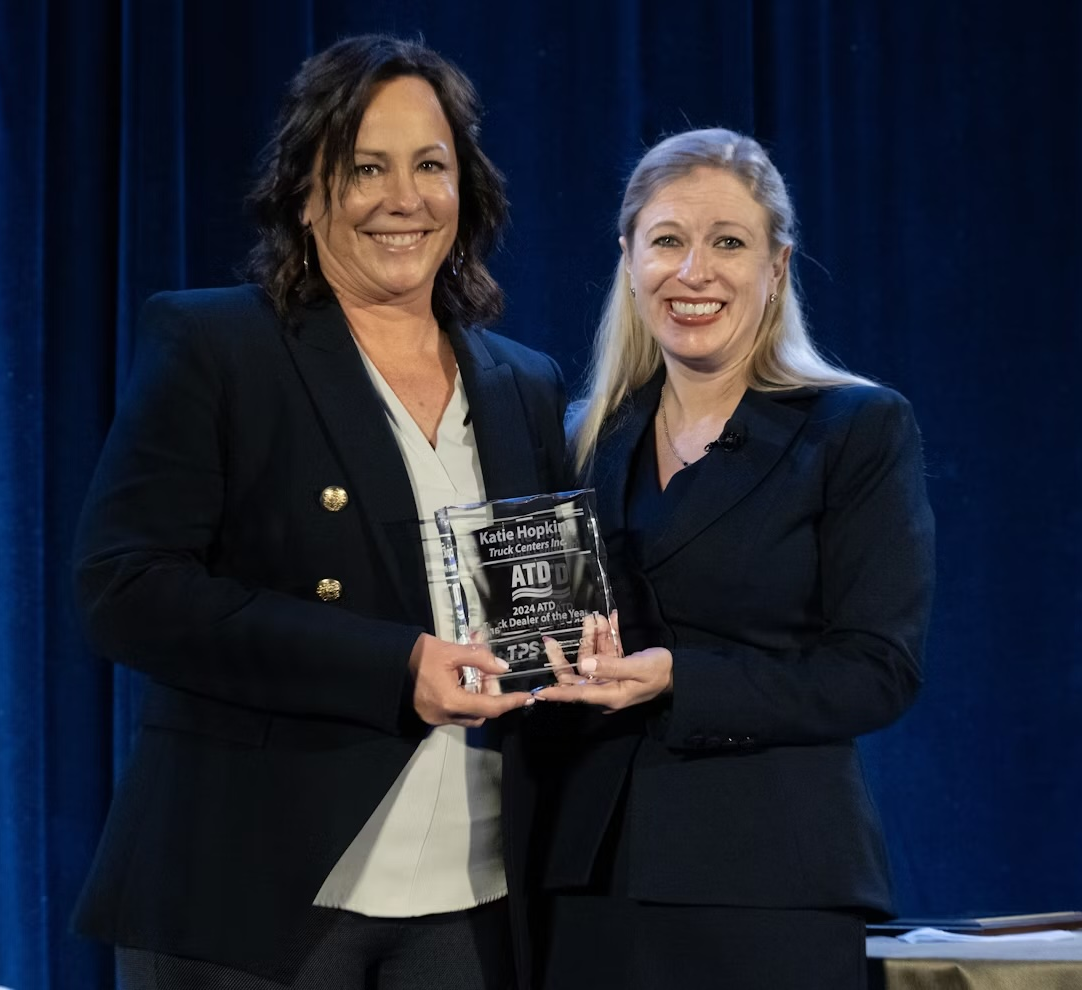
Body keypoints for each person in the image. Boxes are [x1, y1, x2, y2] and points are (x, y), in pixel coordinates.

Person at [69, 36, 567, 990]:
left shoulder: (524, 383)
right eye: (363, 168)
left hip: (474, 897)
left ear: (467, 190)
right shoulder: (218, 345)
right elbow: (125, 590)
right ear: (306, 192)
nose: (402, 198)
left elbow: (529, 606)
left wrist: (578, 644)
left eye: (431, 166)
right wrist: (395, 665)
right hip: (253, 888)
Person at [530, 128, 936, 990]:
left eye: (729, 243)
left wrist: (679, 676)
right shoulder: (578, 443)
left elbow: (877, 670)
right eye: (668, 240)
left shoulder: (854, 430)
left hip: (770, 881)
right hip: (588, 878)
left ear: (777, 266)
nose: (694, 272)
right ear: (628, 260)